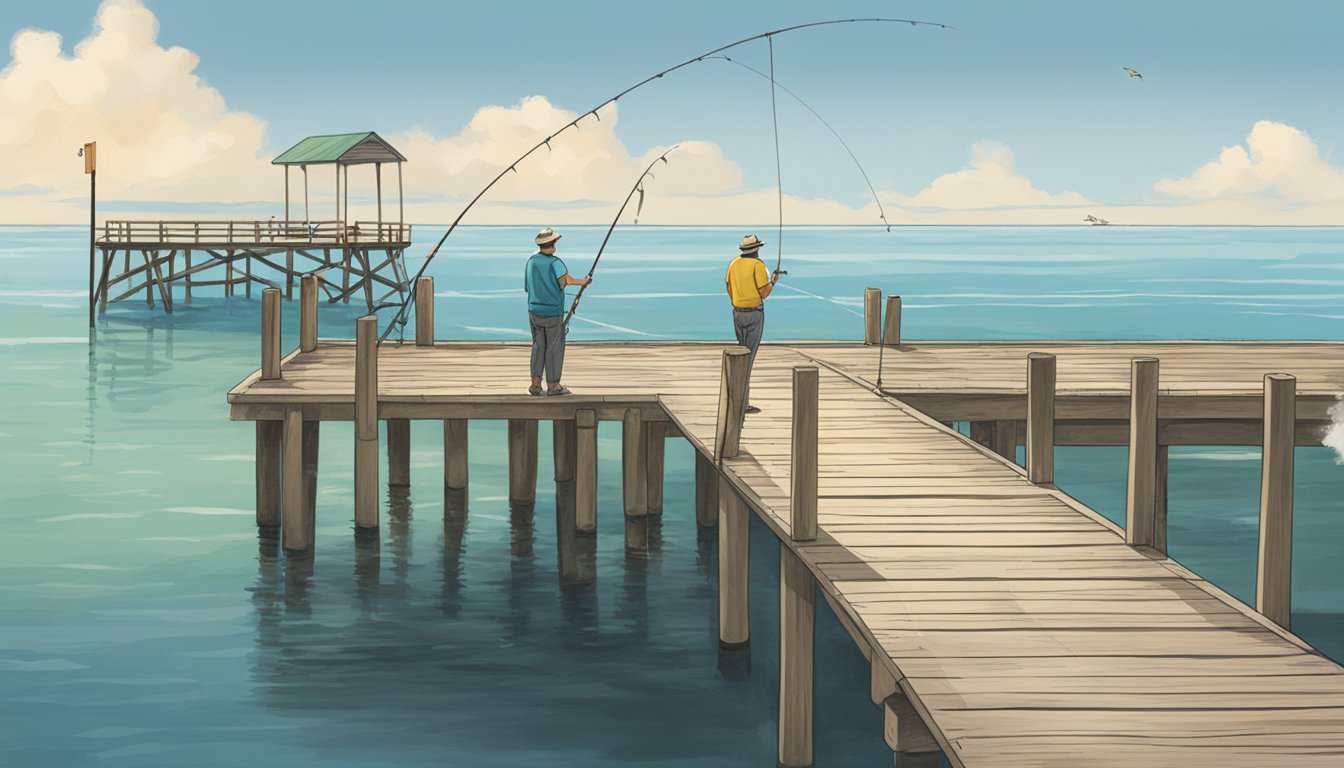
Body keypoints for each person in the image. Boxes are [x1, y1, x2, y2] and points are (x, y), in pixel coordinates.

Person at [524, 228, 590, 396]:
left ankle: (535, 384)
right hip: (552, 312)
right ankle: (553, 386)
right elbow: (565, 281)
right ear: (552, 245)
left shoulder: (531, 262)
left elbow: (527, 287)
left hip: (534, 310)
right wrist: (584, 282)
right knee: (554, 348)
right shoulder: (555, 263)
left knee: (538, 346)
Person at [724, 234, 781, 414]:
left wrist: (738, 300)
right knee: (748, 360)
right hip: (754, 314)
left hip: (737, 313)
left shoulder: (733, 264)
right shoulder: (758, 265)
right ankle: (742, 403)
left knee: (741, 356)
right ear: (756, 250)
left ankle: (736, 400)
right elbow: (764, 293)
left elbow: (729, 287)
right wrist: (773, 281)